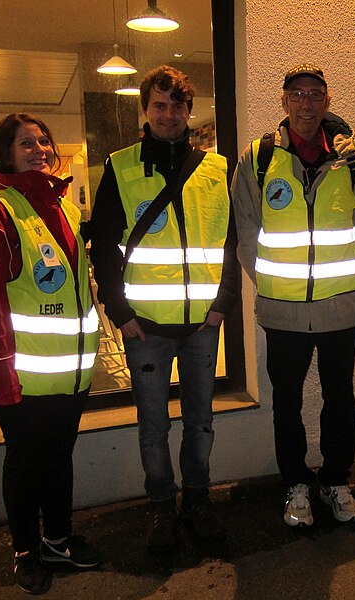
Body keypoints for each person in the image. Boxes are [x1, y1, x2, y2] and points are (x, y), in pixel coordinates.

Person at [89, 65, 240, 553]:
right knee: (153, 425)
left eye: (177, 105)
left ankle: (197, 500)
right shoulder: (121, 165)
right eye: (159, 105)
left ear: (189, 111)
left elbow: (232, 241)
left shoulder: (217, 168)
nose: (169, 114)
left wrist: (222, 304)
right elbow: (104, 247)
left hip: (202, 324)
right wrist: (121, 312)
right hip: (146, 327)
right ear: (145, 110)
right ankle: (161, 507)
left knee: (200, 421)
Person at [0, 113, 103, 595]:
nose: (39, 149)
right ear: (5, 153)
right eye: (26, 143)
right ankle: (26, 551)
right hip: (20, 373)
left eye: (43, 141)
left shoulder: (60, 206)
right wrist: (2, 373)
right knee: (25, 461)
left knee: (58, 457)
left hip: (68, 372)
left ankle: (59, 540)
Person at [231, 63, 355, 527]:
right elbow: (246, 229)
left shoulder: (352, 158)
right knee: (287, 402)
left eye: (315, 94)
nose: (306, 103)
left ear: (326, 101)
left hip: (340, 306)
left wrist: (352, 278)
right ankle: (295, 483)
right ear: (284, 102)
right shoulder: (258, 157)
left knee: (340, 400)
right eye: (297, 94)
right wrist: (272, 282)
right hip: (283, 310)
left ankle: (336, 480)